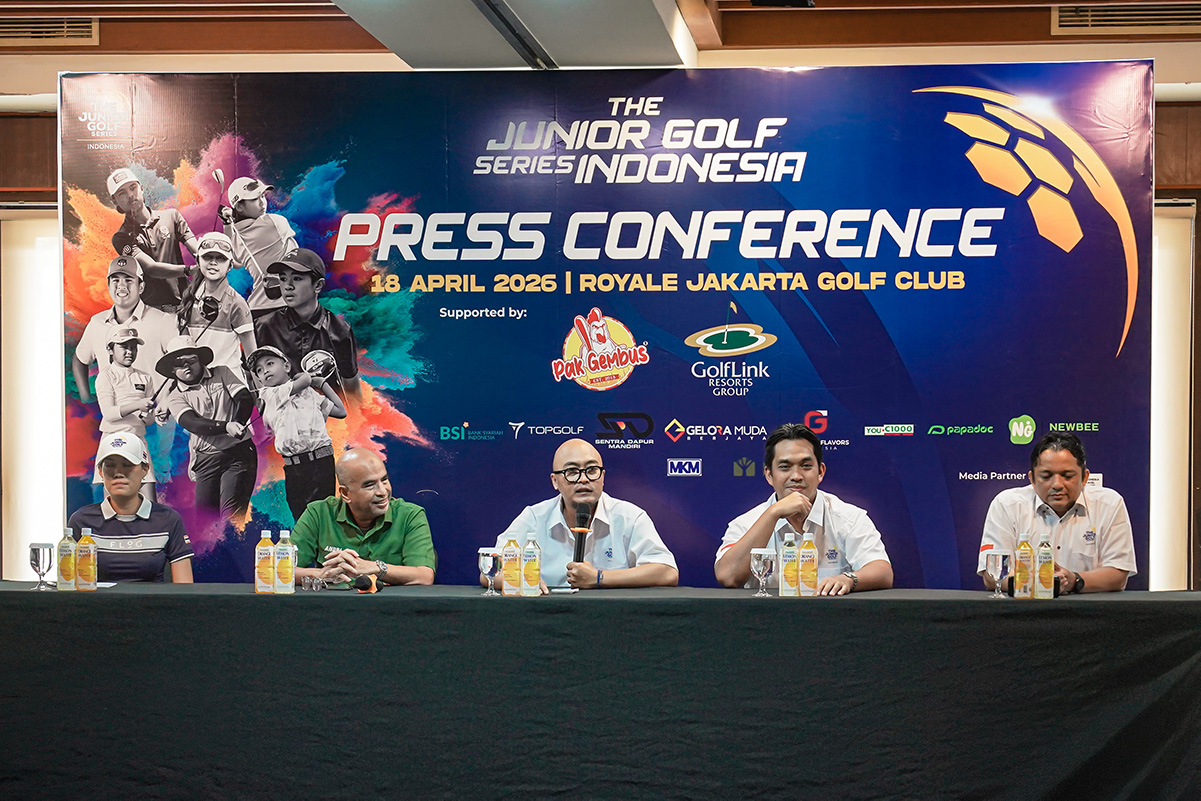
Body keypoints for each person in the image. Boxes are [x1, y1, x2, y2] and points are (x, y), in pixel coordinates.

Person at [715, 423, 893, 594]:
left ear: (820, 472)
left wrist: (848, 579)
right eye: (785, 467)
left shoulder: (849, 518)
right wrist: (773, 513)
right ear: (769, 475)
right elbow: (728, 577)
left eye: (806, 466)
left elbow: (882, 572)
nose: (796, 476)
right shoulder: (746, 523)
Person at [484, 438, 678, 591]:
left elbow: (667, 572)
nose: (583, 479)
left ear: (603, 477)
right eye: (572, 471)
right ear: (555, 481)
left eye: (592, 470)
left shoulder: (629, 517)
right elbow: (490, 570)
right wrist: (523, 581)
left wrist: (599, 578)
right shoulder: (534, 517)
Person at [979, 432, 1136, 594]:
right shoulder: (1007, 505)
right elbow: (992, 575)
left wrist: (1074, 580)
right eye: (1046, 476)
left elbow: (1118, 574)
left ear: (1084, 478)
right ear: (1032, 479)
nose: (1057, 485)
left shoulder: (1108, 504)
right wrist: (1041, 584)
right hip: (1026, 606)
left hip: (1089, 608)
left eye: (1067, 476)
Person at [292, 448, 436, 586]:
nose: (382, 491)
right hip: (332, 602)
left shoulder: (410, 515)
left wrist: (375, 568)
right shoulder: (318, 513)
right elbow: (283, 570)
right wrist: (323, 574)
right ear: (345, 494)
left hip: (390, 602)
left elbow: (424, 576)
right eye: (370, 485)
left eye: (384, 480)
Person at [67, 432, 193, 582]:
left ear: (145, 470)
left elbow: (184, 587)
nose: (118, 473)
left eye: (127, 465)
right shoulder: (81, 521)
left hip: (153, 598)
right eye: (110, 465)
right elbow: (70, 585)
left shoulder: (168, 519)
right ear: (100, 472)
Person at [158, 335, 257, 519]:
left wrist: (238, 421)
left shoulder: (222, 372)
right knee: (205, 521)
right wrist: (227, 426)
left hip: (239, 453)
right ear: (172, 369)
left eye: (191, 360)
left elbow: (244, 398)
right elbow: (193, 423)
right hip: (206, 459)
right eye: (179, 362)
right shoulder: (174, 397)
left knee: (231, 518)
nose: (186, 366)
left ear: (200, 360)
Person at [247, 344, 346, 523]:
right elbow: (304, 380)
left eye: (270, 363)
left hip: (322, 462)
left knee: (324, 516)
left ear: (286, 366)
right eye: (259, 370)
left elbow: (340, 411)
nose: (265, 371)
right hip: (294, 468)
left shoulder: (310, 393)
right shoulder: (267, 394)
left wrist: (322, 384)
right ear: (259, 380)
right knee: (301, 518)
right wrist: (308, 377)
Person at [253, 248, 361, 402]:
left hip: (328, 414)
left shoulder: (340, 330)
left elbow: (351, 388)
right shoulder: (263, 327)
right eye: (283, 278)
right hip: (280, 414)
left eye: (297, 278)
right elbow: (251, 380)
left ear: (318, 286)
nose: (288, 286)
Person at [72, 255, 178, 403]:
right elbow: (80, 359)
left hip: (155, 414)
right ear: (108, 286)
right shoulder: (97, 323)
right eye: (115, 280)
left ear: (141, 287)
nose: (121, 286)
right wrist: (86, 397)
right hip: (113, 416)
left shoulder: (163, 321)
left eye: (128, 280)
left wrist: (170, 401)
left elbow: (181, 361)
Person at [107, 167, 199, 311]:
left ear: (141, 188)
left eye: (133, 188)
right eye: (122, 193)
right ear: (115, 201)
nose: (130, 195)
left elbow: (197, 250)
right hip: (151, 312)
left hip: (186, 306)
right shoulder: (121, 237)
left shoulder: (172, 216)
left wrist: (206, 257)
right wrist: (190, 270)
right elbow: (151, 268)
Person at [93, 327, 159, 501]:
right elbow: (109, 413)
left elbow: (149, 421)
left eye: (133, 347)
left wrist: (148, 415)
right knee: (115, 504)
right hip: (113, 441)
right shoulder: (105, 376)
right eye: (124, 347)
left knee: (149, 502)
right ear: (110, 349)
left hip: (138, 441)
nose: (130, 352)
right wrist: (138, 404)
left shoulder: (145, 377)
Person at [178, 231, 256, 375]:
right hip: (197, 382)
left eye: (221, 258)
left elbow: (253, 358)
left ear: (230, 265)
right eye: (207, 257)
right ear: (198, 261)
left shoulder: (237, 304)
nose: (213, 262)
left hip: (231, 383)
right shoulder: (189, 297)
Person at [219, 176, 296, 320]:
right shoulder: (275, 223)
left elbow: (235, 262)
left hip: (256, 310)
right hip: (284, 307)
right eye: (255, 199)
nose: (262, 202)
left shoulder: (236, 239)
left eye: (262, 196)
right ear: (239, 207)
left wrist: (227, 223)